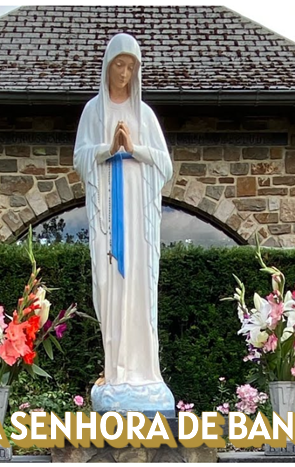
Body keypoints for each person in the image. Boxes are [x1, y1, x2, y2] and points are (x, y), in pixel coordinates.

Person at [73, 33, 175, 416]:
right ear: (108, 66)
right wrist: (108, 149)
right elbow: (80, 158)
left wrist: (134, 149)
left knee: (140, 290)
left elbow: (165, 165)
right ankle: (116, 372)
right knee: (109, 287)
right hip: (108, 221)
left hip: (138, 218)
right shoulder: (93, 112)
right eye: (119, 64)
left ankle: (145, 373)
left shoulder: (144, 115)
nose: (124, 73)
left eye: (131, 66)